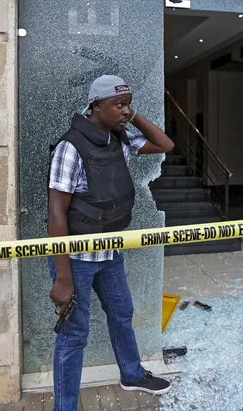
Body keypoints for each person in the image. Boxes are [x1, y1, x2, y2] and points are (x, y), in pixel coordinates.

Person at [47, 75, 175, 411]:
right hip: (74, 258)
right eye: (118, 105)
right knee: (74, 336)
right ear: (96, 106)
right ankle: (65, 407)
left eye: (127, 104)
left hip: (109, 253)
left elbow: (165, 145)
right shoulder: (70, 147)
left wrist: (132, 116)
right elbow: (56, 214)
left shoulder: (119, 139)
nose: (124, 110)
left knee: (122, 314)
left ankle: (132, 373)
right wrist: (62, 278)